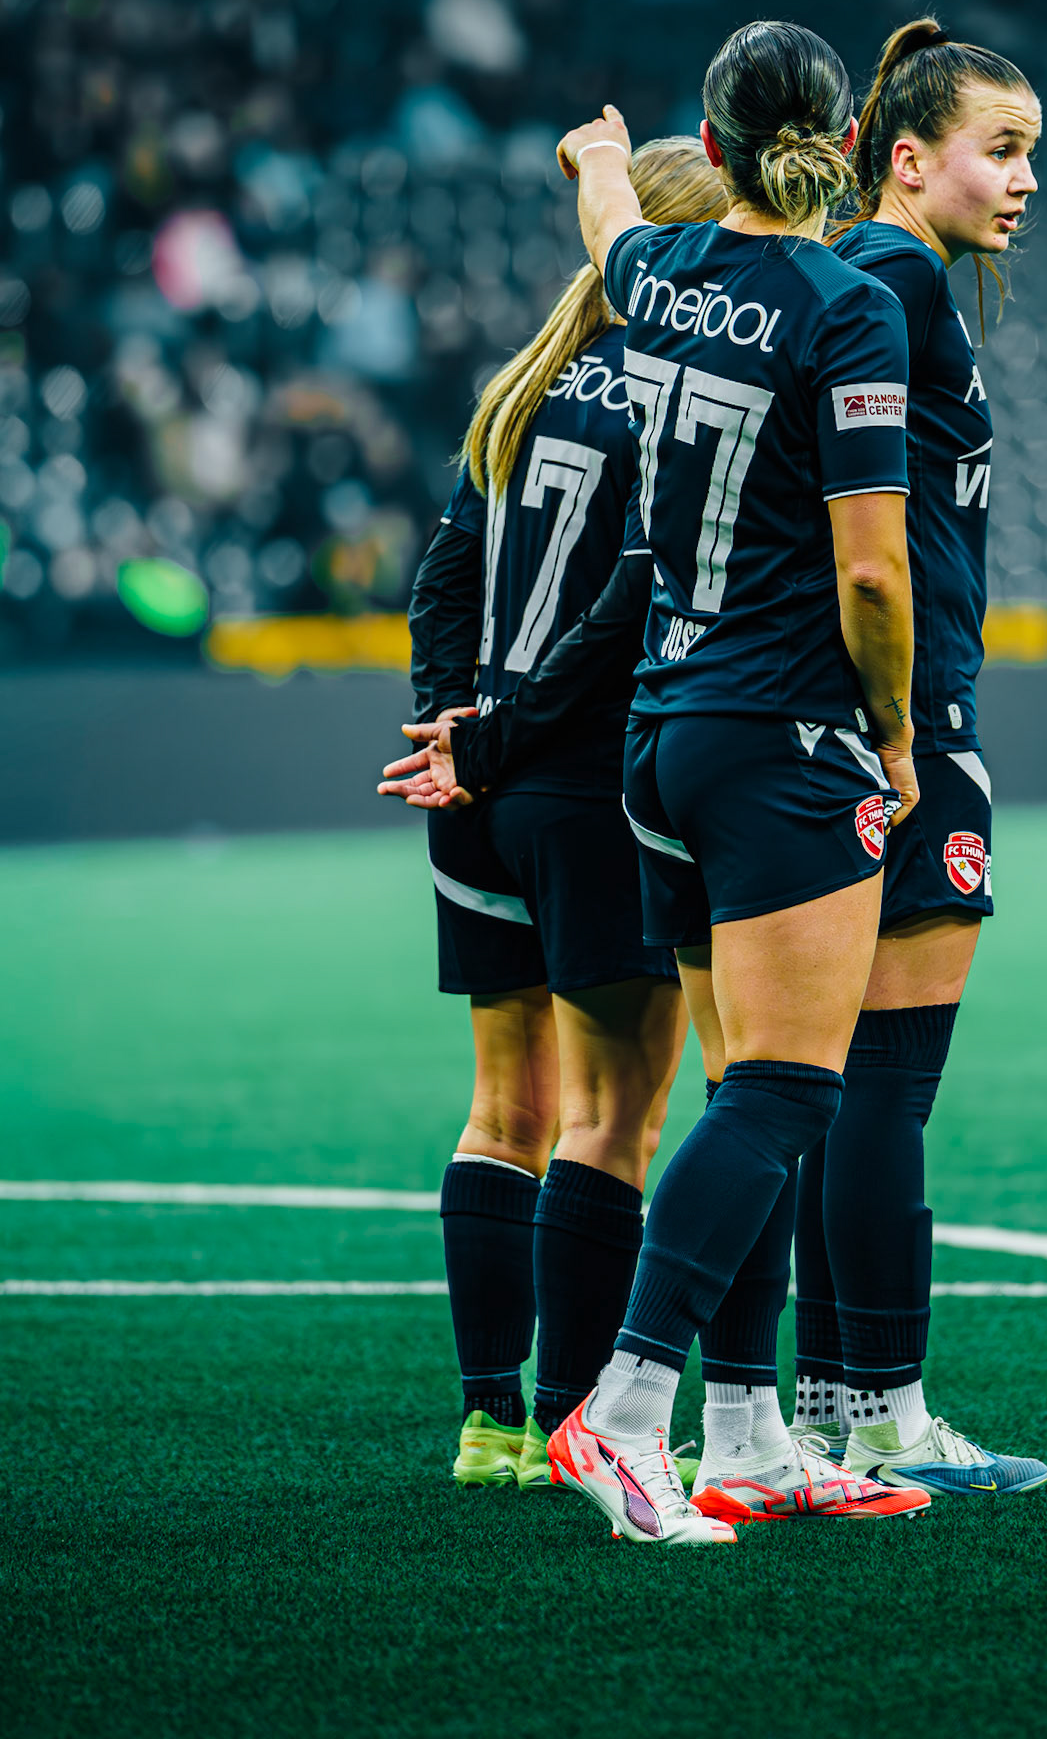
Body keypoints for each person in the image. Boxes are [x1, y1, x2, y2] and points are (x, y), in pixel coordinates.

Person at [404, 20, 933, 1542]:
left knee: (673, 1085)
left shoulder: (652, 285)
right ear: (841, 145)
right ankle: (629, 1411)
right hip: (778, 735)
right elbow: (876, 575)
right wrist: (893, 736)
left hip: (652, 742)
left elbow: (610, 225)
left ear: (712, 148)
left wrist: (589, 154)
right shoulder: (845, 305)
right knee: (773, 1090)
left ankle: (747, 1434)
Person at [378, 137, 727, 1492]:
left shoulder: (522, 385)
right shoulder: (667, 398)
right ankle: (586, 1427)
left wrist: (449, 731)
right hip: (582, 792)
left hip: (473, 790)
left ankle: (491, 1425)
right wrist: (507, 735)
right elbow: (631, 604)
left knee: (500, 1106)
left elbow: (444, 573)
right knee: (612, 1121)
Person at [791, 18, 1047, 1493]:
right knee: (889, 1083)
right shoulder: (892, 285)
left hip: (834, 723)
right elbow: (872, 555)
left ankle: (832, 1405)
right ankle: (890, 1411)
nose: (1022, 183)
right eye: (999, 151)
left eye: (1030, 157)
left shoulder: (868, 277)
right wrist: (906, 730)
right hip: (906, 729)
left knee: (840, 1086)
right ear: (909, 156)